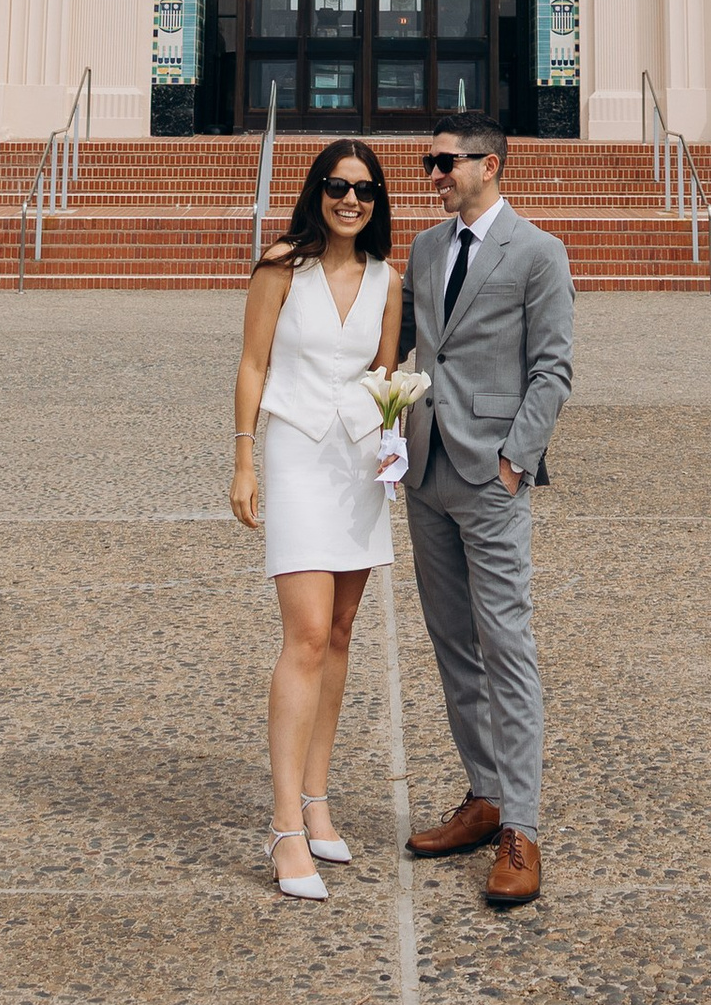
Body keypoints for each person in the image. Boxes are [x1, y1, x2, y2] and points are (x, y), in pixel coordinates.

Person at [398, 119, 573, 909]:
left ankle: (522, 829)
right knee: (452, 644)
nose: (434, 174)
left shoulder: (538, 252)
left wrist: (514, 463)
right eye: (429, 162)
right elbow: (402, 345)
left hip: (491, 477)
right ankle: (485, 793)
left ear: (488, 165)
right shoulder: (425, 249)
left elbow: (553, 369)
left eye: (445, 162)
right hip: (426, 471)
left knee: (506, 644)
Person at [230, 134, 399, 903]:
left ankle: (317, 799)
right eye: (337, 186)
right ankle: (283, 827)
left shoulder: (387, 279)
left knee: (340, 633)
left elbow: (386, 376)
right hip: (296, 452)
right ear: (317, 191)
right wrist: (244, 460)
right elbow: (253, 363)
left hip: (358, 463)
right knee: (303, 634)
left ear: (376, 201)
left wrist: (393, 453)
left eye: (363, 189)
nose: (350, 200)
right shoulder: (279, 266)